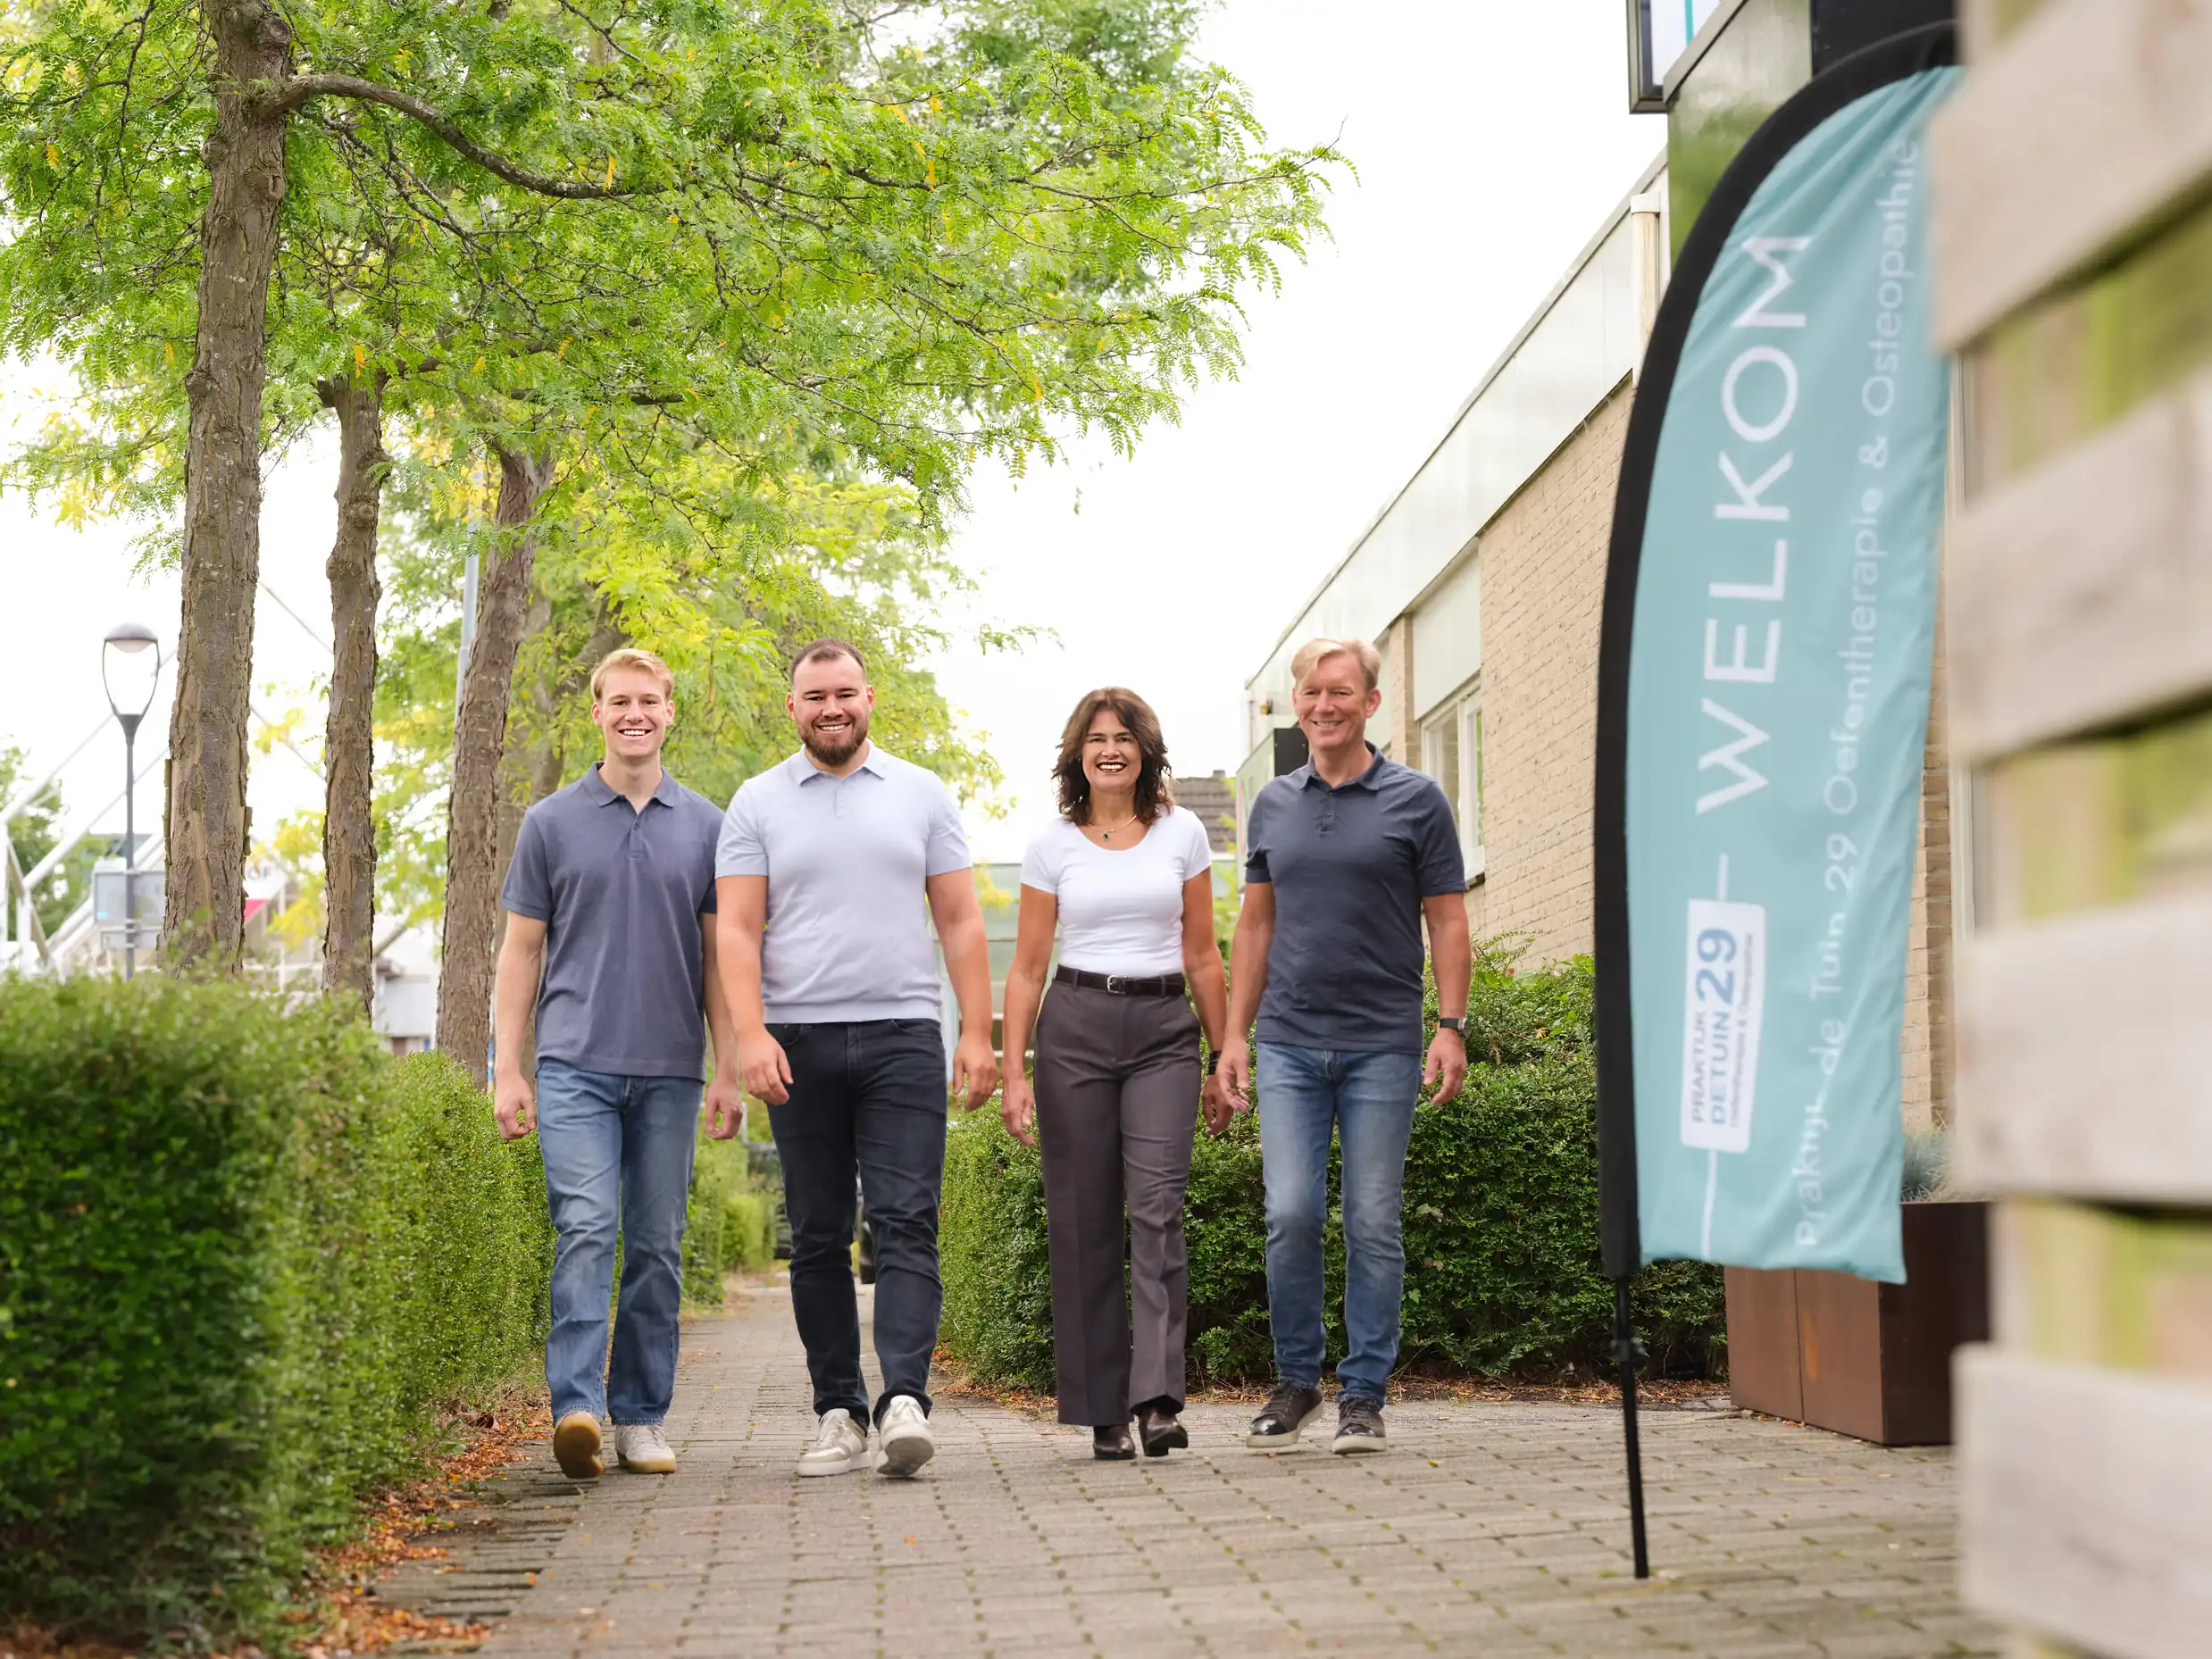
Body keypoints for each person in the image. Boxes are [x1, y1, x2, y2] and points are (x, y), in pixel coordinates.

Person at [714, 638, 998, 1480]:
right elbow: (735, 927)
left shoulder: (920, 792)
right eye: (814, 697)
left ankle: (903, 1399)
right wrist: (749, 1034)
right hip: (794, 1043)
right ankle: (836, 1408)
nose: (830, 708)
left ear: (869, 699)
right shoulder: (756, 801)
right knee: (816, 1235)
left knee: (907, 1220)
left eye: (844, 693)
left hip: (903, 1035)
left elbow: (960, 920)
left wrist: (975, 1032)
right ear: (792, 708)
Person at [1218, 637, 1471, 1455]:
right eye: (1309, 693)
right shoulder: (1272, 805)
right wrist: (1231, 1036)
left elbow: (1447, 918)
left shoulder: (1417, 800)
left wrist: (1450, 1024)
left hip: (1381, 1046)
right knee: (1290, 1215)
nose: (1322, 705)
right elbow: (1254, 924)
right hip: (1287, 1044)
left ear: (1369, 701)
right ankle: (1296, 1382)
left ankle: (1363, 1393)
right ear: (1296, 704)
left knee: (1370, 1220)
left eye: (1339, 691)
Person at [493, 647, 741, 1481]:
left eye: (650, 701)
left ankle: (640, 1417)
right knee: (588, 1226)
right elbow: (520, 952)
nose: (635, 713)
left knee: (658, 1245)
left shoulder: (709, 826)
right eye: (619, 701)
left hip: (671, 1071)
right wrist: (508, 1068)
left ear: (671, 712)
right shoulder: (550, 823)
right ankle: (576, 1408)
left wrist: (730, 1069)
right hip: (573, 1067)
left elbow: (719, 961)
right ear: (595, 714)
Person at [998, 689, 1235, 1461]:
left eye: (1124, 737)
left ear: (1144, 751)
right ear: (1078, 754)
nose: (1110, 749)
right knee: (1082, 1218)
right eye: (1096, 738)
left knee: (1157, 1207)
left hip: (1164, 1031)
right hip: (1073, 1030)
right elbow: (1028, 966)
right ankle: (1102, 1408)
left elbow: (1203, 952)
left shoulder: (1183, 832)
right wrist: (1014, 1072)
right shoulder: (1051, 845)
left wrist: (1223, 1051)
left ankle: (1158, 1400)